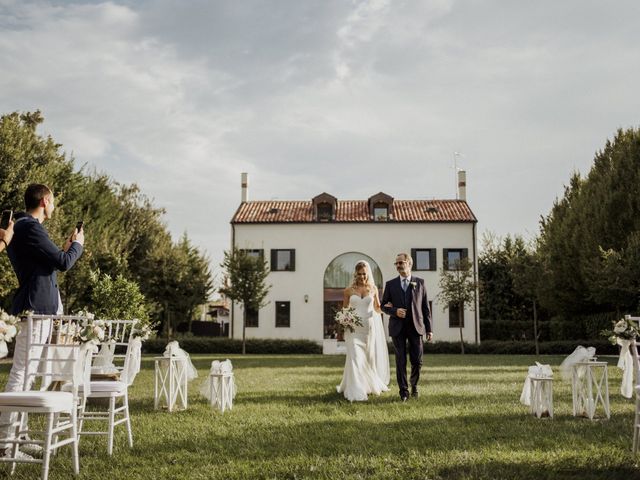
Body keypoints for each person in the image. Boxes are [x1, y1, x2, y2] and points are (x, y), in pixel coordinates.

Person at [0, 183, 84, 456]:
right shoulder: (29, 227)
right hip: (35, 308)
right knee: (22, 374)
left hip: (39, 308)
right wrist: (77, 247)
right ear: (46, 200)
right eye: (54, 200)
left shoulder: (24, 228)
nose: (54, 206)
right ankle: (5, 444)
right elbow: (63, 262)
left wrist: (65, 249)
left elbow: (50, 261)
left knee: (29, 375)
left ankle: (19, 436)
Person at [381, 253, 432, 402]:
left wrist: (429, 329)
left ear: (409, 263)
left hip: (416, 327)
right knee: (400, 360)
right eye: (396, 263)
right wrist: (394, 311)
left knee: (417, 360)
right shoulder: (391, 284)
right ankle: (403, 391)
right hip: (397, 327)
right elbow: (383, 306)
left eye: (401, 262)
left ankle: (414, 385)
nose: (398, 266)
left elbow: (425, 308)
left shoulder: (420, 283)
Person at [336, 260, 389, 402]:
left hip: (368, 329)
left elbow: (377, 308)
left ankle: (367, 385)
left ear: (368, 274)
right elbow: (345, 309)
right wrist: (344, 319)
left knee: (367, 357)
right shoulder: (348, 291)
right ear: (355, 274)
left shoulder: (373, 289)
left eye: (364, 274)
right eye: (359, 274)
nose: (362, 277)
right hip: (352, 329)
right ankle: (355, 390)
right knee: (355, 357)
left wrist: (388, 308)